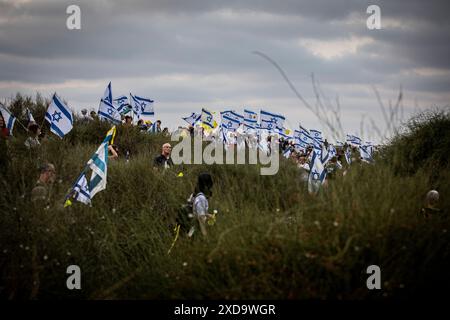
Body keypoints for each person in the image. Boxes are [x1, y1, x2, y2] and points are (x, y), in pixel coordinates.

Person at [190, 173, 214, 237]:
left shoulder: (195, 195)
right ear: (206, 186)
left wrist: (208, 215)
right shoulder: (201, 198)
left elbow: (197, 212)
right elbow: (201, 218)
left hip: (192, 229)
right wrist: (205, 236)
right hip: (197, 231)